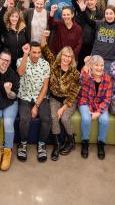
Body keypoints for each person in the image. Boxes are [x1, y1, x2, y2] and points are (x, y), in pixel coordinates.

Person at [40, 30, 79, 160]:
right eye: (64, 56)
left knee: (64, 118)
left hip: (69, 101)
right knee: (53, 116)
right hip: (54, 99)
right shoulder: (54, 64)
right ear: (61, 56)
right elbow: (44, 49)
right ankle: (57, 144)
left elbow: (74, 93)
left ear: (71, 58)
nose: (66, 58)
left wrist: (63, 108)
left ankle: (71, 141)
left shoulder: (75, 73)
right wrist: (44, 37)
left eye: (69, 57)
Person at [15, 42, 51, 163]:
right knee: (25, 119)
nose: (36, 55)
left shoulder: (45, 64)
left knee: (47, 119)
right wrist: (25, 55)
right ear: (29, 51)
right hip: (24, 96)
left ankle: (41, 144)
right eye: (34, 52)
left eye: (39, 52)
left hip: (40, 97)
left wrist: (36, 106)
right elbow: (20, 72)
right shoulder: (21, 60)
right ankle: (23, 144)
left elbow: (45, 87)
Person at [77, 55, 112, 160]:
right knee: (86, 118)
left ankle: (101, 144)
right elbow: (80, 81)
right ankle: (85, 142)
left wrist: (98, 112)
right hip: (85, 101)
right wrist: (86, 65)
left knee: (105, 120)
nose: (99, 68)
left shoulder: (107, 78)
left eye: (101, 65)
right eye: (96, 65)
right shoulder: (87, 74)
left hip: (99, 103)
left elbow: (107, 99)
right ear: (91, 67)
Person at [0, 0, 30, 64]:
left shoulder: (24, 27)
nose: (14, 19)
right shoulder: (5, 28)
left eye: (16, 17)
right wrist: (4, 6)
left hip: (22, 58)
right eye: (12, 16)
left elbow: (28, 41)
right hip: (9, 59)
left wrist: (28, 45)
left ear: (19, 18)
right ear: (9, 17)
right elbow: (0, 18)